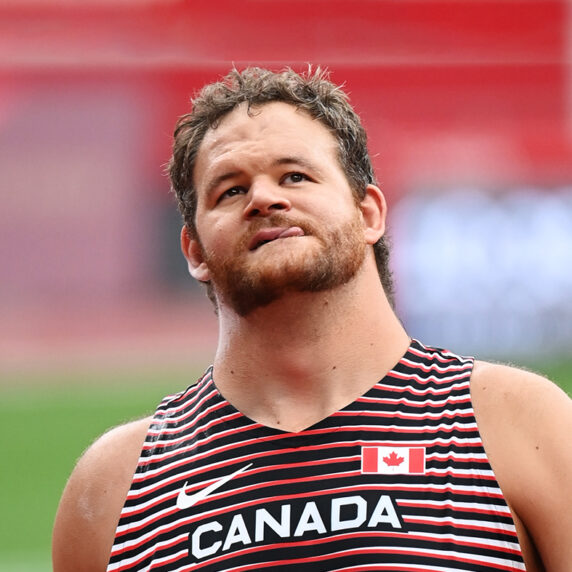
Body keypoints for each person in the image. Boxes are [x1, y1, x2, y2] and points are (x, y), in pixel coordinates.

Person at [52, 67, 572, 572]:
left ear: (369, 213)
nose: (264, 198)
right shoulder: (117, 489)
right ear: (194, 251)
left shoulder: (516, 424)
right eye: (230, 190)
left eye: (295, 176)